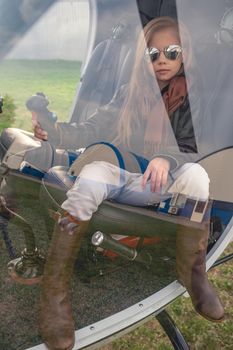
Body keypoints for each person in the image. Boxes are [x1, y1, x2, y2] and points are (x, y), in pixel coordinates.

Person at [39, 17, 224, 350]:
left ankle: (192, 271)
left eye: (171, 51)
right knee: (94, 172)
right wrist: (56, 133)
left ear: (184, 56)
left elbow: (197, 146)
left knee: (198, 176)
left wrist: (166, 158)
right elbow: (92, 127)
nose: (162, 59)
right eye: (153, 54)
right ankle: (55, 290)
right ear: (143, 59)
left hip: (168, 185)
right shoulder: (129, 93)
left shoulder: (195, 99)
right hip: (128, 178)